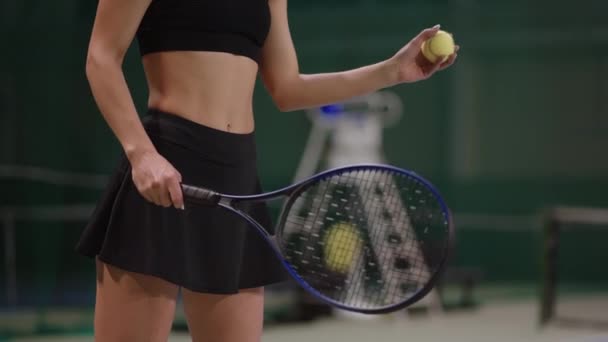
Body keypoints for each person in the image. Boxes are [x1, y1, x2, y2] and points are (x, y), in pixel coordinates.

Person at [75, 0, 458, 340]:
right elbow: (101, 57)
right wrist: (142, 154)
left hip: (237, 175)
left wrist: (391, 72)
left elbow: (288, 89)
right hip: (167, 171)